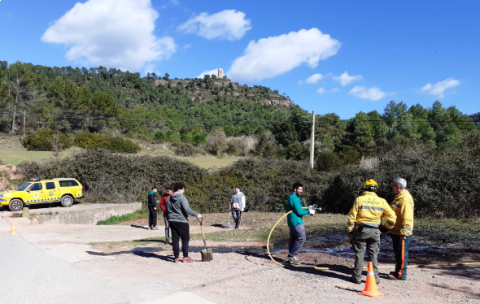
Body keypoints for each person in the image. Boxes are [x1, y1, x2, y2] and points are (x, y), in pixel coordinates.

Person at [347, 179, 396, 284]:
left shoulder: (359, 199)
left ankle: (357, 277)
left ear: (365, 189)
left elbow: (352, 217)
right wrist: (386, 227)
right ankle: (375, 278)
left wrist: (350, 231)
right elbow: (392, 217)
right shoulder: (382, 201)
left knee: (360, 254)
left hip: (361, 230)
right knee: (373, 254)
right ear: (376, 190)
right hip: (375, 231)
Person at [166, 182, 202, 263]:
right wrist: (197, 214)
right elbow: (187, 209)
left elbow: (166, 211)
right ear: (179, 189)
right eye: (183, 189)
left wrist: (169, 220)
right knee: (185, 239)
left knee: (175, 240)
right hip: (182, 221)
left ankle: (176, 258)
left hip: (172, 221)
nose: (183, 191)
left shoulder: (168, 198)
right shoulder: (181, 197)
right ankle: (185, 257)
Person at [388, 178, 414, 281]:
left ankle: (400, 274)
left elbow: (407, 217)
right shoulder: (399, 197)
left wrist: (404, 232)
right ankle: (398, 271)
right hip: (396, 231)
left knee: (402, 254)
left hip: (402, 233)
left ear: (398, 187)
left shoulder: (405, 199)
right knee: (398, 253)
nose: (392, 187)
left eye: (393, 185)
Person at [285, 182, 315, 265]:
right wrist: (309, 211)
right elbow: (299, 211)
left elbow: (298, 208)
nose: (301, 191)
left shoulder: (291, 197)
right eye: (300, 189)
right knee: (302, 238)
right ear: (295, 189)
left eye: (302, 189)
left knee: (293, 238)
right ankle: (292, 256)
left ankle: (292, 257)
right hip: (296, 221)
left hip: (291, 220)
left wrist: (308, 208)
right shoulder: (295, 198)